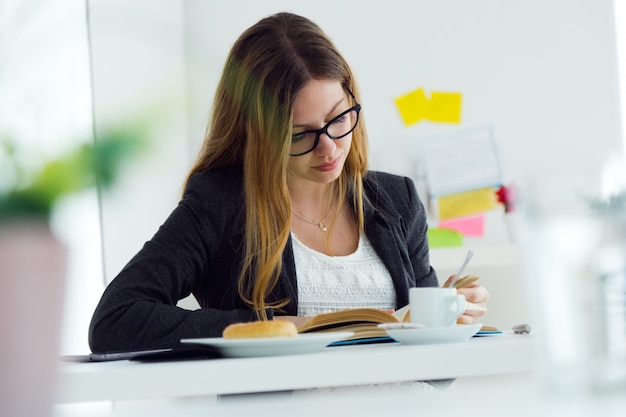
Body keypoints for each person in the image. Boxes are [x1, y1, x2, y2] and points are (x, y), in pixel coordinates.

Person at [88, 12, 489, 354]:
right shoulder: (221, 203)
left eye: (338, 119)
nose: (329, 148)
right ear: (260, 137)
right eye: (300, 135)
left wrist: (451, 320)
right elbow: (115, 320)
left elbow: (436, 374)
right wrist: (273, 331)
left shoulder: (397, 201)